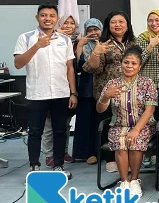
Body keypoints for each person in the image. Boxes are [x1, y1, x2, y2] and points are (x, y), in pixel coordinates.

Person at [14, 3, 77, 179]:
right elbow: (18, 63)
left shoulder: (64, 40)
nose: (47, 18)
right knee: (35, 131)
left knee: (60, 130)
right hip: (37, 93)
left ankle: (58, 165)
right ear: (37, 18)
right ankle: (34, 166)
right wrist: (37, 46)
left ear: (57, 19)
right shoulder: (26, 38)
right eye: (43, 15)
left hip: (61, 93)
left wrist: (73, 92)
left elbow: (69, 67)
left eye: (51, 15)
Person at [96, 45, 158, 196]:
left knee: (135, 141)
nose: (129, 66)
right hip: (119, 124)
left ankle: (135, 180)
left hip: (143, 125)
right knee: (120, 141)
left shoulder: (147, 83)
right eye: (126, 62)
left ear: (139, 66)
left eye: (133, 63)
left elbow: (150, 110)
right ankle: (124, 181)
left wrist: (136, 129)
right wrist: (105, 96)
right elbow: (99, 109)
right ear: (121, 63)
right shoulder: (112, 84)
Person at [82, 10, 136, 173]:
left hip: (130, 92)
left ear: (127, 26)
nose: (117, 25)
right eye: (113, 22)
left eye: (121, 22)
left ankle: (129, 155)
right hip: (108, 90)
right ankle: (110, 158)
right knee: (109, 124)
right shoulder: (103, 42)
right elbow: (91, 68)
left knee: (128, 124)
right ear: (108, 25)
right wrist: (96, 53)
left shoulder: (133, 43)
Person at [135, 9, 159, 168]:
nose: (154, 23)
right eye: (150, 20)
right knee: (146, 122)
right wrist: (150, 46)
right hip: (145, 87)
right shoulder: (141, 39)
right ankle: (147, 154)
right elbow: (137, 63)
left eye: (157, 20)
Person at [41, 14, 80, 167]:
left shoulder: (78, 42)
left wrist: (73, 92)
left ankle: (62, 152)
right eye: (66, 23)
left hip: (70, 88)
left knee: (65, 123)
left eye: (72, 23)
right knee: (49, 125)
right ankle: (49, 154)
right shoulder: (49, 39)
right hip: (51, 87)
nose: (69, 26)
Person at [72, 18, 103, 164]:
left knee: (100, 122)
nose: (93, 33)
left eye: (96, 29)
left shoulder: (105, 45)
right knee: (84, 121)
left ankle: (99, 153)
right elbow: (77, 67)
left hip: (102, 89)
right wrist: (79, 47)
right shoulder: (82, 46)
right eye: (89, 30)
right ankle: (83, 153)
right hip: (85, 89)